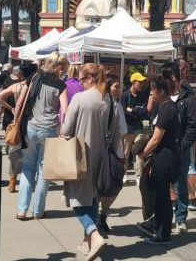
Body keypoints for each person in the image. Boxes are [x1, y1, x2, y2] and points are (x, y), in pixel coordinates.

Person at [61, 63, 122, 260]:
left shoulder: (80, 98)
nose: (80, 83)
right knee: (93, 197)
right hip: (103, 159)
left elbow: (66, 130)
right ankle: (88, 241)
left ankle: (93, 235)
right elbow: (117, 133)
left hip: (80, 156)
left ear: (89, 78)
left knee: (76, 199)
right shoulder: (111, 102)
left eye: (81, 79)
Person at [13, 51, 68, 220]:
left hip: (31, 126)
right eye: (63, 68)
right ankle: (38, 211)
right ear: (58, 67)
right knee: (44, 171)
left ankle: (22, 209)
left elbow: (20, 101)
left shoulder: (34, 78)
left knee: (28, 168)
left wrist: (15, 121)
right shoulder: (60, 85)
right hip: (49, 129)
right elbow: (65, 110)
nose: (64, 71)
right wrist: (63, 130)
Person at [138, 75, 181, 244]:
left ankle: (163, 234)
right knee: (160, 194)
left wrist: (142, 154)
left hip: (165, 156)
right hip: (165, 155)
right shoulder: (167, 107)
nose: (151, 94)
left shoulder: (167, 109)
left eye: (152, 90)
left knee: (163, 196)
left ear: (160, 91)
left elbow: (156, 138)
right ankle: (157, 226)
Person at [162, 59, 196, 234]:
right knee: (163, 183)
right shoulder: (163, 97)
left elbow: (193, 126)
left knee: (180, 184)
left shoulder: (188, 98)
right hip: (164, 148)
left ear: (172, 77)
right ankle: (163, 216)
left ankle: (180, 218)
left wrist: (183, 146)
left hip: (180, 149)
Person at [0, 65, 35, 194]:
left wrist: (10, 108)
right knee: (30, 154)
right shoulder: (35, 87)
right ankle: (29, 182)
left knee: (14, 153)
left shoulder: (17, 86)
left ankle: (12, 183)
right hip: (30, 120)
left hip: (17, 120)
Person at [96, 73, 127, 237]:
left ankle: (101, 216)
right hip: (105, 152)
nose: (119, 90)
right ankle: (98, 218)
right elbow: (119, 133)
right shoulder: (112, 105)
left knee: (109, 186)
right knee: (107, 185)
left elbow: (119, 134)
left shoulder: (115, 105)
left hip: (105, 152)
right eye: (116, 86)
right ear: (108, 86)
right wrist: (121, 155)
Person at [120, 72, 149, 181]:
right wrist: (138, 111)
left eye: (143, 82)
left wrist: (132, 110)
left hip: (139, 128)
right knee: (125, 152)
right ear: (133, 82)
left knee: (140, 152)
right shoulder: (124, 95)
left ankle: (139, 175)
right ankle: (124, 173)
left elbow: (144, 112)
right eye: (140, 82)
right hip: (127, 128)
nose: (142, 84)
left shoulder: (143, 96)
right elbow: (123, 112)